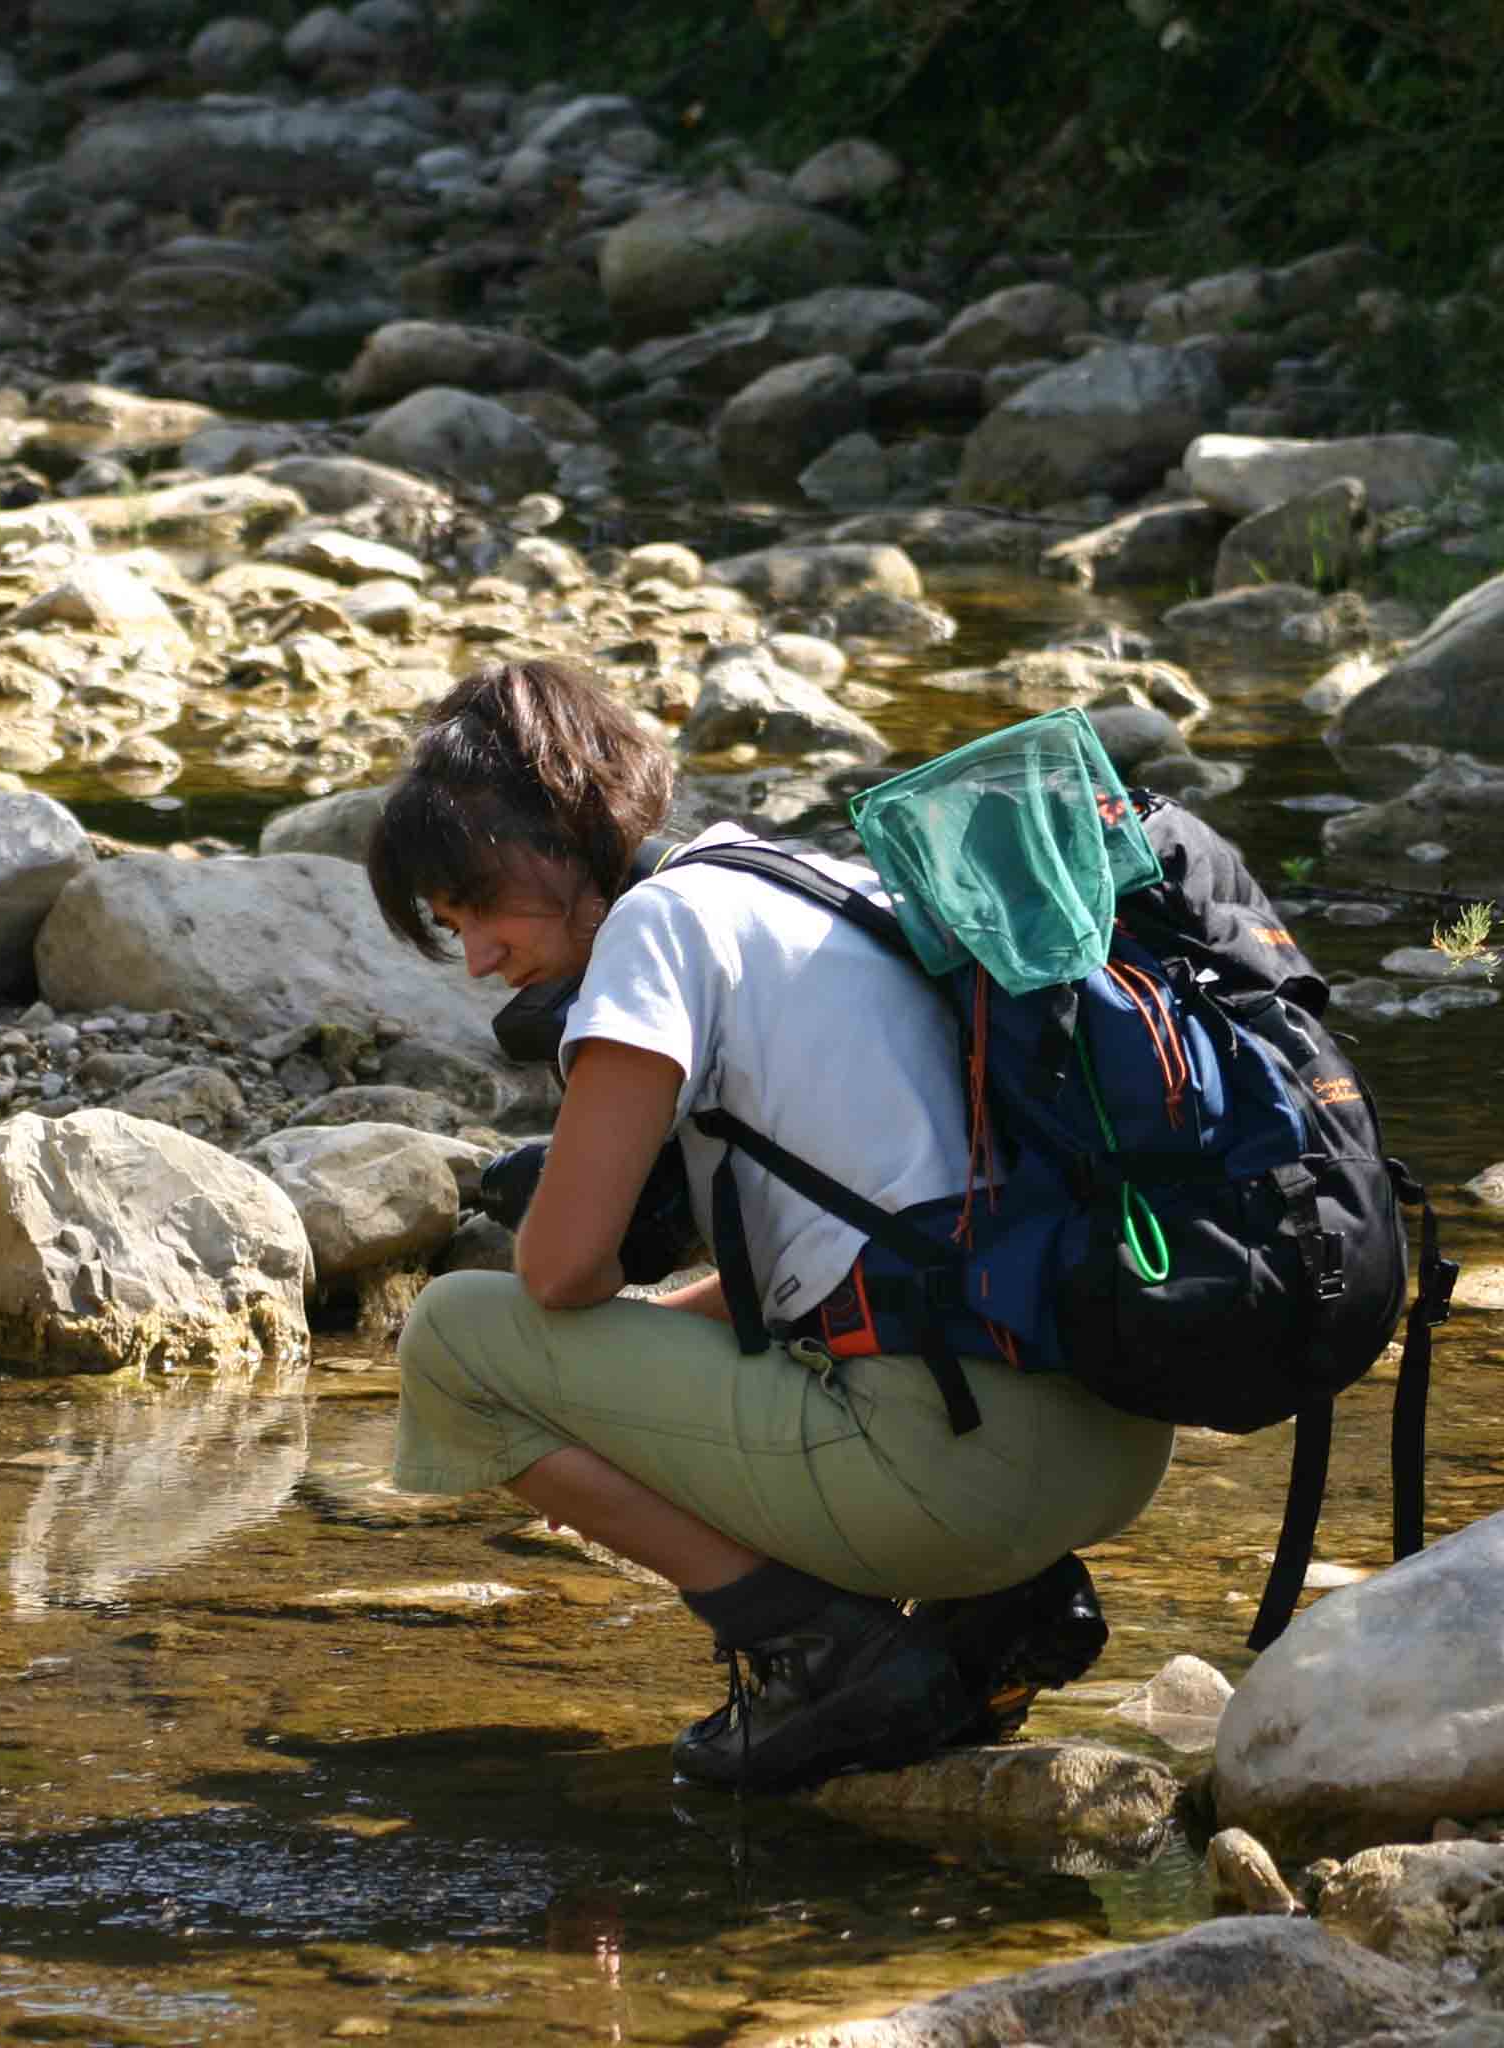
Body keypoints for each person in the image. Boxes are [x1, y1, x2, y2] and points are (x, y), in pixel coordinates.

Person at [366, 658, 1176, 1791]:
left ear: (554, 844)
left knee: (454, 1340)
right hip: (1109, 1445)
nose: (479, 958)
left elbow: (555, 1272)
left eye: (479, 908)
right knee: (749, 1342)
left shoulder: (658, 929)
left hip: (959, 1480)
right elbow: (837, 1265)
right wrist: (633, 1372)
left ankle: (825, 1653)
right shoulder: (811, 880)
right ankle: (992, 1612)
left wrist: (583, 1373)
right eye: (453, 928)